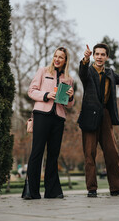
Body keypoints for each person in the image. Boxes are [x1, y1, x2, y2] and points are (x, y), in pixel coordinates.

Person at [78, 43, 119, 197]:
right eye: (97, 54)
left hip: (105, 116)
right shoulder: (88, 71)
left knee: (112, 152)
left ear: (106, 57)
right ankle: (92, 189)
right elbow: (82, 73)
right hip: (89, 116)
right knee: (89, 153)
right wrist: (84, 59)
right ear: (93, 56)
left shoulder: (110, 73)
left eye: (102, 54)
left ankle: (117, 188)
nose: (99, 57)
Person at [21, 47, 74, 200]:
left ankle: (52, 191)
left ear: (65, 60)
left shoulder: (68, 79)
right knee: (37, 152)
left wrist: (70, 97)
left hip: (58, 118)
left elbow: (69, 105)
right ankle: (31, 191)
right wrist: (46, 94)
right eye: (55, 56)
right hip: (42, 115)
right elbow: (31, 91)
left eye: (61, 57)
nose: (57, 59)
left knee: (53, 154)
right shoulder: (43, 71)